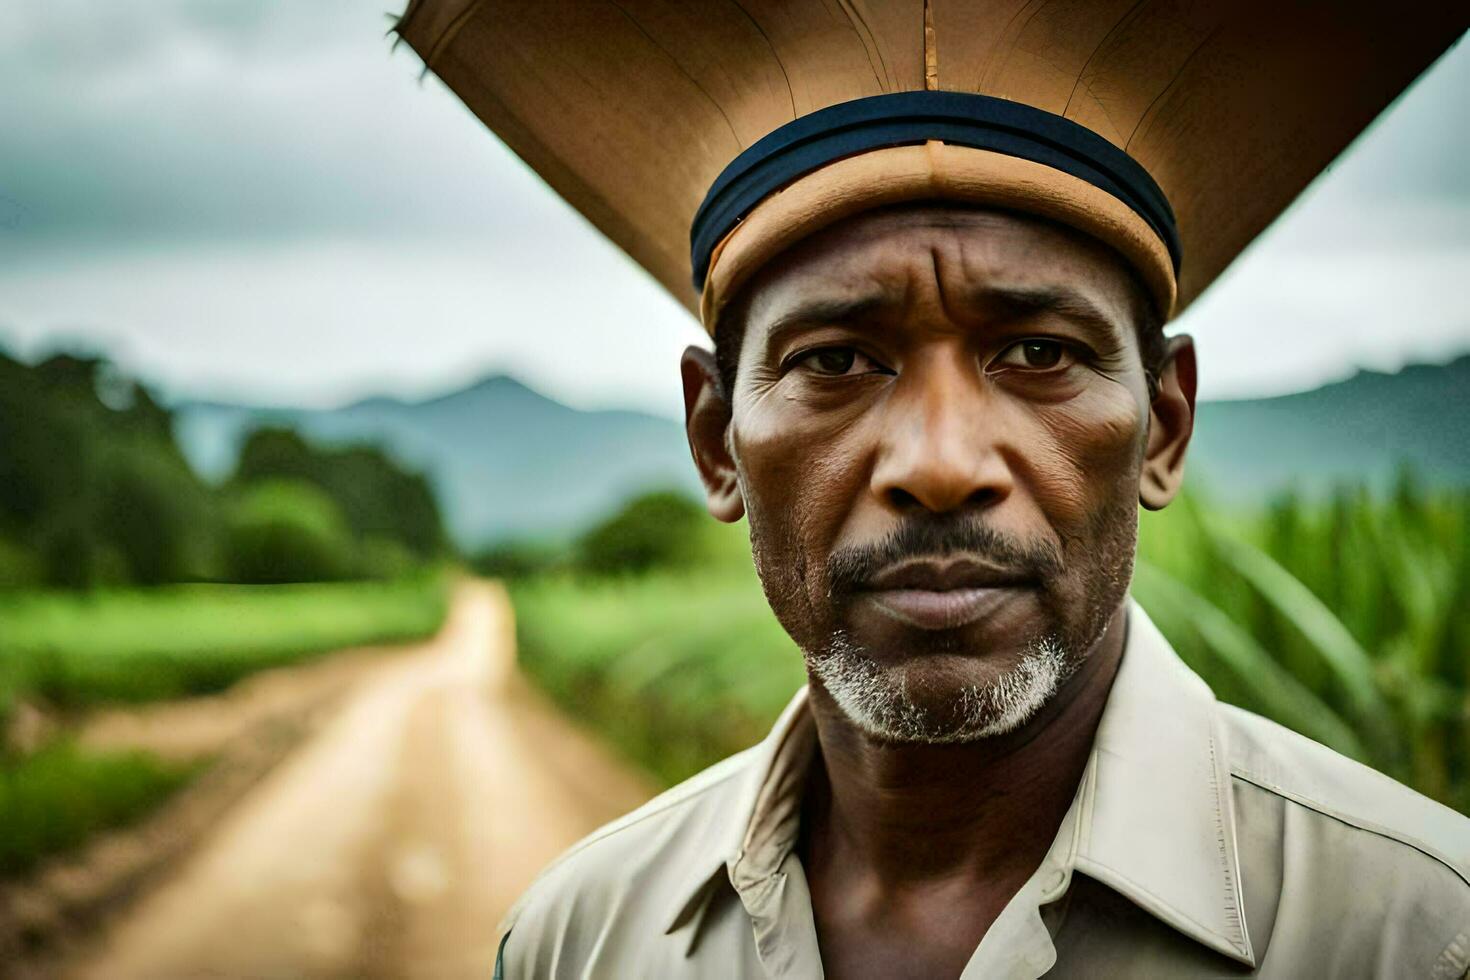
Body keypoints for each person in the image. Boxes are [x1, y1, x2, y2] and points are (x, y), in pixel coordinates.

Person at [394, 3, 1470, 976]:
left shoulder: (1419, 933)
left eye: (1040, 351)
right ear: (717, 438)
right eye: (837, 361)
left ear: (1164, 425)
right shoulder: (579, 940)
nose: (942, 463)